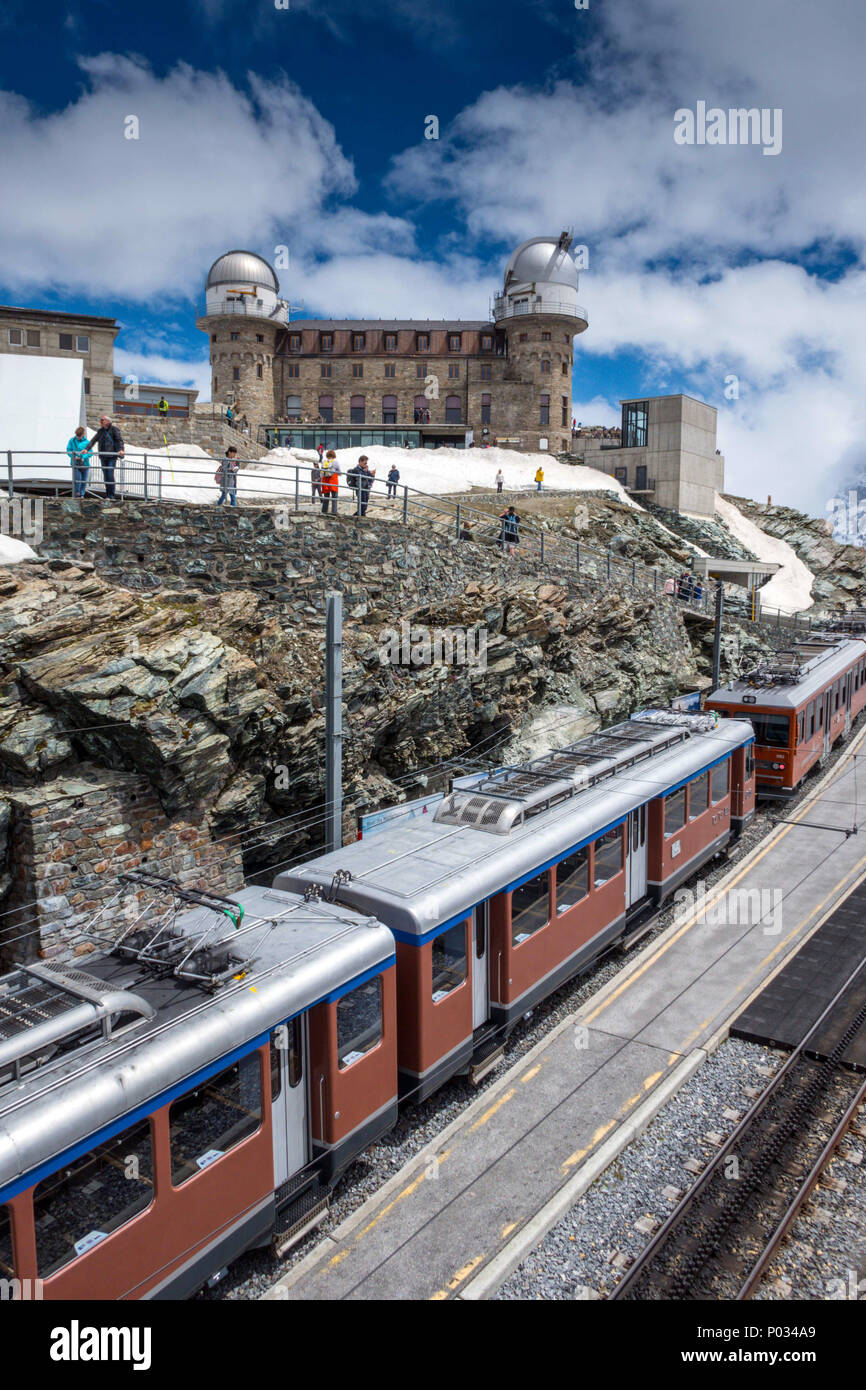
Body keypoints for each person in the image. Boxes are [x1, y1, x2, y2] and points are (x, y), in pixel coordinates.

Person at [88, 414, 124, 500]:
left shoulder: (114, 429)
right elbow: (93, 440)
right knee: (106, 475)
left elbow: (119, 440)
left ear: (108, 421)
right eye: (100, 420)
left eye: (102, 420)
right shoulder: (100, 431)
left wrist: (121, 450)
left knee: (110, 474)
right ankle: (108, 495)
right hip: (103, 456)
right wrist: (87, 449)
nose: (101, 422)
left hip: (112, 456)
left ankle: (111, 495)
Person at [67, 425, 92, 497]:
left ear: (83, 435)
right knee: (77, 479)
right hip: (75, 463)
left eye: (79, 436)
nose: (78, 437)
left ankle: (82, 494)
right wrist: (73, 457)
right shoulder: (72, 440)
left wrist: (83, 457)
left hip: (85, 463)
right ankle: (77, 493)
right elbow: (68, 450)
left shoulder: (87, 442)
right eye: (77, 435)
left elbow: (90, 452)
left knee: (84, 480)